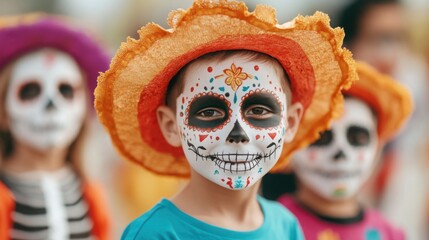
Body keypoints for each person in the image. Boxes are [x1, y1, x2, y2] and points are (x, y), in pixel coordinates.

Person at [95, 0, 357, 239]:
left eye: (259, 110)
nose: (238, 132)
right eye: (209, 112)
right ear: (171, 125)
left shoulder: (286, 226)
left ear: (289, 121)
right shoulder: (155, 234)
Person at [0, 14, 111, 239]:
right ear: (3, 112)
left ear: (84, 109)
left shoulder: (90, 193)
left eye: (66, 90)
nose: (51, 106)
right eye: (30, 91)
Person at [278, 62, 412, 240]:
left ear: (377, 149)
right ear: (289, 143)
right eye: (321, 137)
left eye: (357, 139)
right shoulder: (269, 226)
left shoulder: (390, 235)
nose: (340, 154)